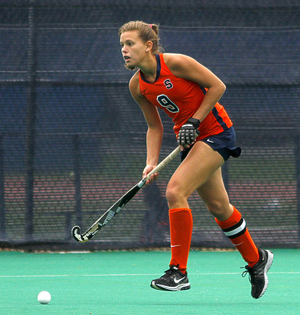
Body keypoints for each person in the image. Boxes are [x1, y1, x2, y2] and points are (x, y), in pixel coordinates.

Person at [119, 20, 273, 299]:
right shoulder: (137, 86)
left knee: (175, 191)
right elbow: (154, 127)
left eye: (130, 44)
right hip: (190, 141)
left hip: (216, 132)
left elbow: (217, 86)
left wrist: (195, 120)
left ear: (148, 46)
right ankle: (257, 260)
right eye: (122, 45)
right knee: (219, 207)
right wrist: (150, 162)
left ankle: (178, 271)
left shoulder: (176, 63)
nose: (124, 50)